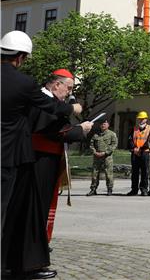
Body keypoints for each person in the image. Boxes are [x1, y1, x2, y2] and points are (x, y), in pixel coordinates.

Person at [2, 63, 86, 280]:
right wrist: (80, 130)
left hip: (41, 161)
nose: (69, 93)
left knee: (30, 213)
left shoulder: (46, 100)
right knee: (32, 213)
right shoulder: (43, 100)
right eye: (68, 89)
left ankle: (17, 263)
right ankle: (29, 266)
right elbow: (53, 131)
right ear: (56, 84)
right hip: (37, 161)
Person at [1, 31, 78, 228]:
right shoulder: (24, 83)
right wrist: (73, 108)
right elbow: (50, 106)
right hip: (8, 155)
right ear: (20, 57)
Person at [88, 117, 117, 196]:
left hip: (107, 157)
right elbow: (91, 145)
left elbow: (114, 145)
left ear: (108, 125)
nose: (103, 125)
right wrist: (94, 152)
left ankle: (109, 189)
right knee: (95, 174)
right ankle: (93, 189)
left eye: (104, 124)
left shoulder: (112, 134)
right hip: (97, 157)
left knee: (109, 174)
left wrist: (105, 153)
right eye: (101, 124)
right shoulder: (96, 135)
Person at [127, 111, 150, 196]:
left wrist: (140, 149)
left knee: (145, 172)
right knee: (134, 172)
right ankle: (134, 190)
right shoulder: (134, 129)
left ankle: (144, 189)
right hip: (135, 152)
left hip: (144, 152)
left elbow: (149, 140)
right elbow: (130, 139)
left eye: (143, 118)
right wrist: (134, 148)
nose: (141, 120)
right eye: (139, 118)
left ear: (146, 119)